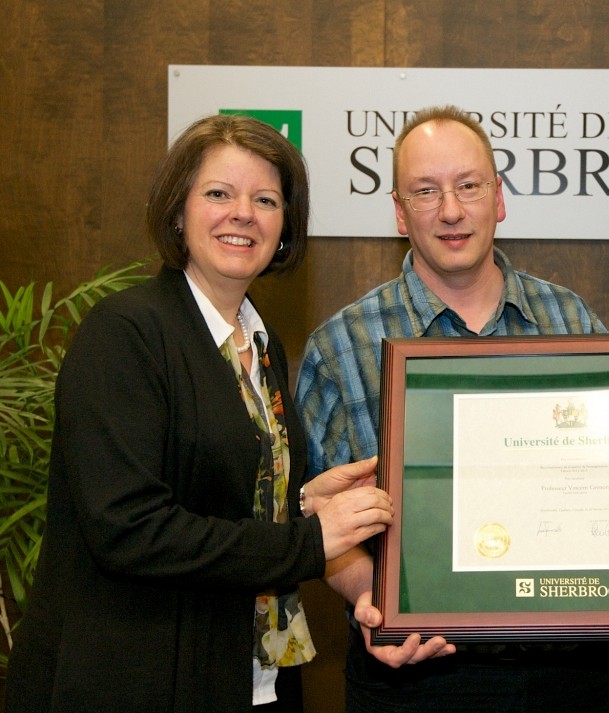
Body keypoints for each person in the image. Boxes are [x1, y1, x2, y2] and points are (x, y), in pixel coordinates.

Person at [5, 114, 394, 713]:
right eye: (218, 193)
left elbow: (213, 497)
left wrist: (300, 503)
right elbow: (129, 529)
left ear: (284, 227)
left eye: (265, 199)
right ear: (177, 211)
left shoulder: (261, 344)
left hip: (255, 676)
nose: (243, 213)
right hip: (142, 680)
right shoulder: (125, 334)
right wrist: (308, 541)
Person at [295, 105, 609, 712]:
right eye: (425, 191)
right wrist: (375, 598)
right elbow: (320, 522)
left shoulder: (572, 322)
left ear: (498, 198)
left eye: (468, 186)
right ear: (400, 212)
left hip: (574, 672)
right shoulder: (338, 346)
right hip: (415, 674)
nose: (451, 210)